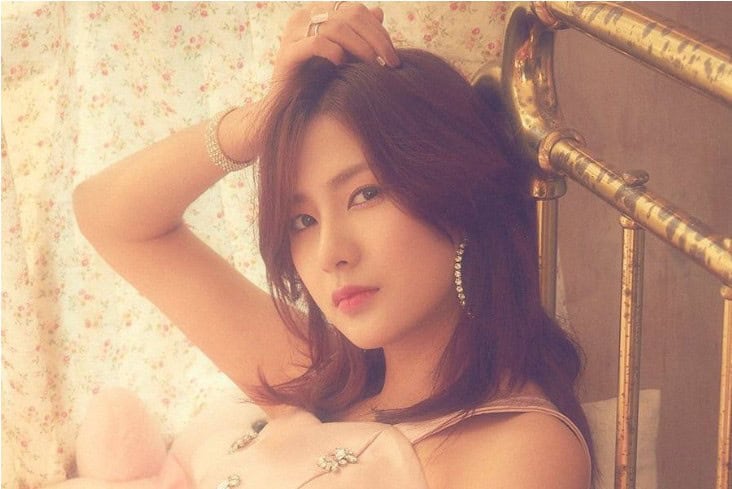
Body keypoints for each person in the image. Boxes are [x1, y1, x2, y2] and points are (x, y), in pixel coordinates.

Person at [62, 2, 594, 488]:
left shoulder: (517, 449)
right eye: (302, 220)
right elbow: (107, 215)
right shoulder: (322, 373)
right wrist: (259, 122)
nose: (330, 253)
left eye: (365, 194)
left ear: (457, 196)